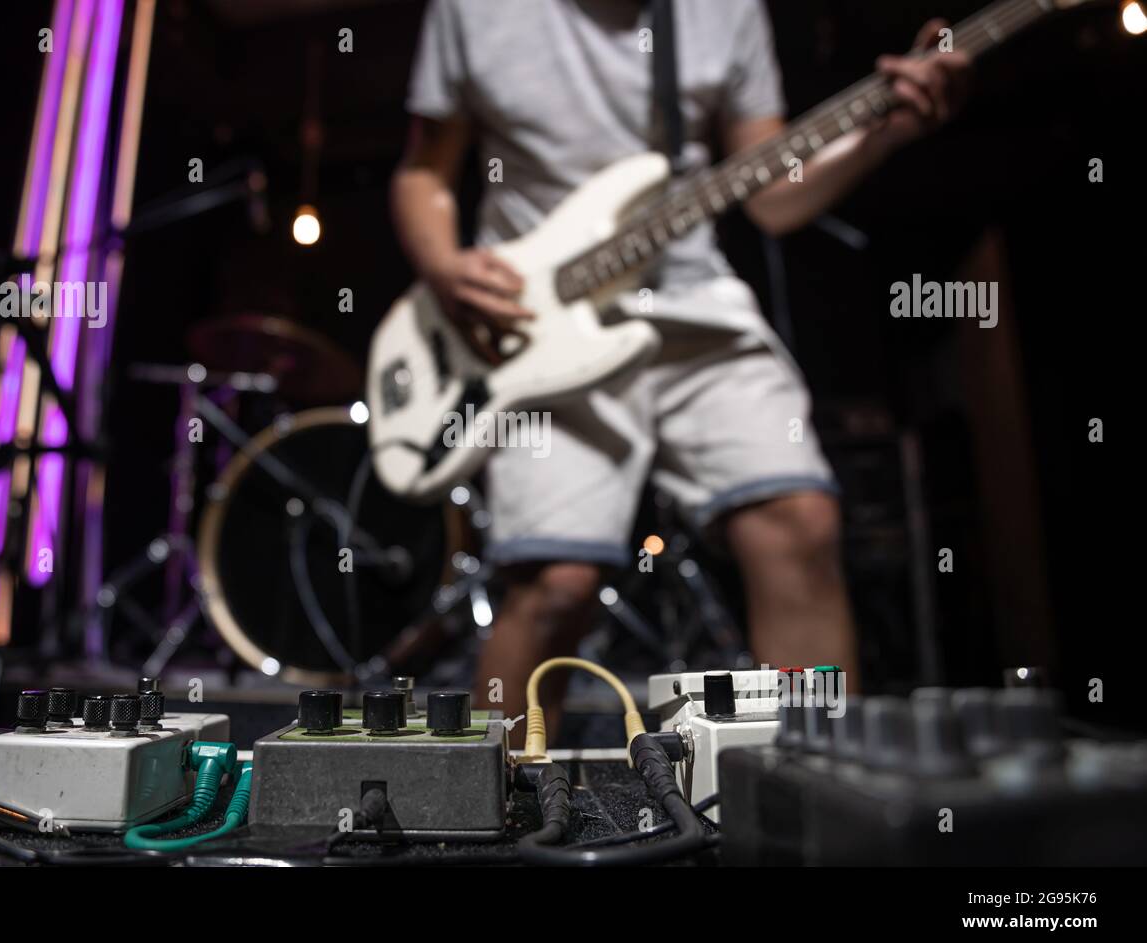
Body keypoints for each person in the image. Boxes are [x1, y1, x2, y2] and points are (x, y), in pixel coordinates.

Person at [389, 0, 972, 743]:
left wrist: (885, 129)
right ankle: (478, 816)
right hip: (534, 328)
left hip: (693, 301)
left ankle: (826, 801)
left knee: (798, 523)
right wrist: (444, 266)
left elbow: (773, 194)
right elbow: (423, 171)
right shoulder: (472, 11)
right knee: (553, 586)